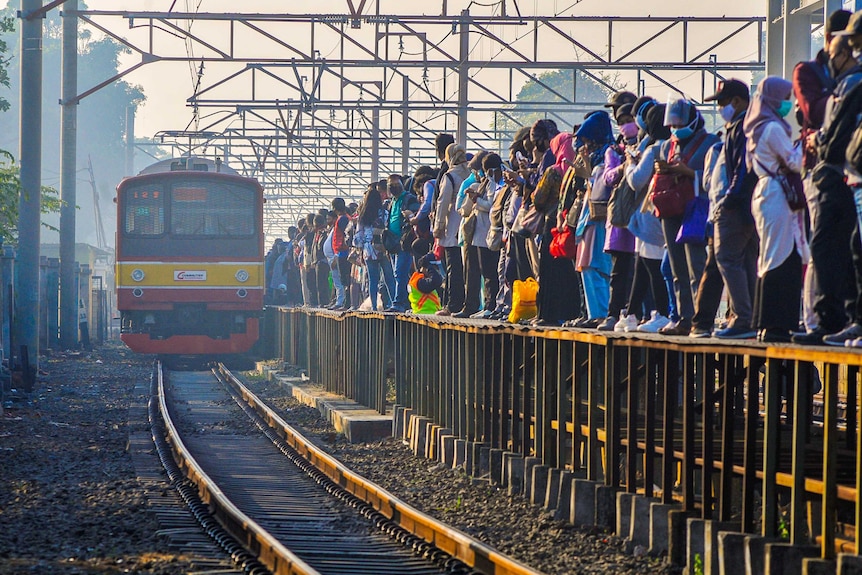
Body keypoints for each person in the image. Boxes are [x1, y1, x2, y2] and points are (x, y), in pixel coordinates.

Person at [795, 27, 862, 344]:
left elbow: (835, 131)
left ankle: (837, 321)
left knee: (832, 249)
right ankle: (844, 320)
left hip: (843, 173)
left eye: (833, 55)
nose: (830, 61)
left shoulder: (851, 84)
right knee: (847, 249)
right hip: (847, 175)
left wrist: (820, 144)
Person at [745, 76, 807, 343]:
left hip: (765, 193)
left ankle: (764, 322)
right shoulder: (772, 128)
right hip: (776, 194)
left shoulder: (758, 128)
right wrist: (808, 144)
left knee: (769, 256)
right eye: (784, 98)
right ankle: (777, 322)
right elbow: (794, 162)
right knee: (782, 256)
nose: (787, 104)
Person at [653, 98, 720, 335]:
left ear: (693, 119)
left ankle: (702, 319)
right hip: (670, 209)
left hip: (696, 208)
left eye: (679, 122)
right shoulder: (666, 146)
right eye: (671, 124)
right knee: (676, 266)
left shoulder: (711, 143)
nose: (675, 128)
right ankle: (684, 316)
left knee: (697, 265)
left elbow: (715, 176)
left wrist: (689, 172)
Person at [704, 79, 760, 339]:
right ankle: (749, 317)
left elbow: (741, 169)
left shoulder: (740, 127)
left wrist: (728, 199)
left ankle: (742, 318)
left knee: (727, 258)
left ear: (737, 101)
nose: (720, 109)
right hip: (751, 207)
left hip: (737, 206)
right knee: (746, 261)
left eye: (722, 103)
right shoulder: (751, 124)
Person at [433, 144, 471, 316]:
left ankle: (452, 304)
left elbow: (442, 202)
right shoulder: (471, 173)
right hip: (470, 224)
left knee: (452, 267)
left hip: (453, 225)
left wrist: (438, 227)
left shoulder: (450, 176)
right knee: (468, 267)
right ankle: (468, 302)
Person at [469, 153, 504, 318]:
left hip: (487, 234)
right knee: (485, 271)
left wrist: (476, 201)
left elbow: (490, 205)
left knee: (490, 271)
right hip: (481, 234)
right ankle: (488, 304)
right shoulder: (486, 183)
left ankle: (491, 305)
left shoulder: (492, 184)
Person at [356, 183, 396, 311]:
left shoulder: (363, 215)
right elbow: (387, 226)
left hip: (368, 249)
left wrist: (360, 249)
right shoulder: (383, 212)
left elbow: (358, 235)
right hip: (382, 247)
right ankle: (392, 302)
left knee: (373, 279)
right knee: (389, 277)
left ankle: (373, 305)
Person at [386, 174, 421, 312]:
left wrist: (409, 216)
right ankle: (405, 302)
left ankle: (398, 303)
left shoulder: (408, 198)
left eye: (396, 184)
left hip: (404, 240)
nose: (393, 187)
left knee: (400, 272)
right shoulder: (392, 202)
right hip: (393, 242)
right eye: (391, 185)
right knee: (398, 273)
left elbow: (415, 212)